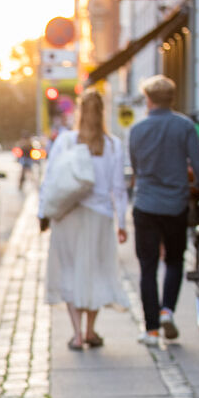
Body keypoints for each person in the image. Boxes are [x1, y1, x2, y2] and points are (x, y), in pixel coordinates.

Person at [129, 75, 199, 345]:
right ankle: (167, 310)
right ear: (171, 98)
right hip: (175, 204)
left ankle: (152, 329)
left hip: (145, 204)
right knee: (174, 260)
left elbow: (135, 166)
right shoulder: (185, 126)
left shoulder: (137, 129)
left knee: (147, 267)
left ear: (148, 99)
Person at [38, 91, 130, 350]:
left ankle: (77, 334)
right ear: (103, 112)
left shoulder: (66, 141)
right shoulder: (112, 145)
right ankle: (91, 330)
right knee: (96, 273)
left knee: (70, 270)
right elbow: (118, 188)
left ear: (79, 111)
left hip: (68, 215)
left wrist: (42, 212)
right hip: (100, 217)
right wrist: (121, 223)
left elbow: (50, 179)